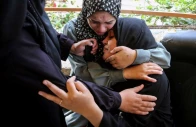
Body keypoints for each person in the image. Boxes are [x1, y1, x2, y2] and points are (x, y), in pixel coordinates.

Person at [0, 0, 157, 127]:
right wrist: (118, 95)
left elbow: (35, 25)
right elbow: (60, 81)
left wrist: (68, 46)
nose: (102, 33)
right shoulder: (9, 32)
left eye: (109, 26)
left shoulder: (149, 77)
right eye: (94, 22)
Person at [63, 0, 171, 126]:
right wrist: (125, 74)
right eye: (94, 21)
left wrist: (135, 55)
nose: (102, 31)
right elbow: (85, 77)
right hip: (91, 92)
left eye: (109, 23)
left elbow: (163, 56)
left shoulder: (125, 31)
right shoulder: (73, 30)